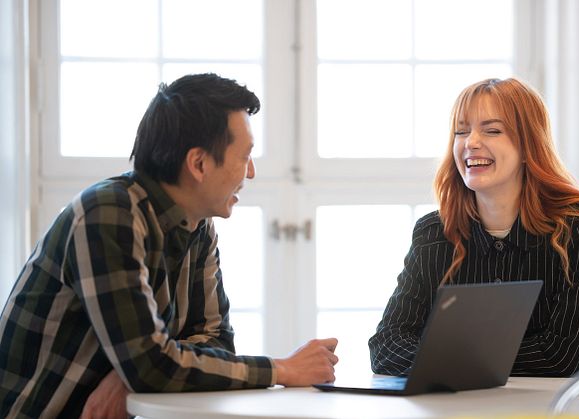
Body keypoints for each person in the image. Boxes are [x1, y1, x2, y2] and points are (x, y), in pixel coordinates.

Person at [0, 73, 338, 418]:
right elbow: (151, 366)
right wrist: (283, 369)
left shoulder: (198, 225)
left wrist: (128, 376)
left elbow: (216, 340)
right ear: (199, 164)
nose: (250, 173)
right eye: (245, 156)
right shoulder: (108, 215)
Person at [369, 77, 579, 378]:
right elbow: (386, 346)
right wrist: (471, 361)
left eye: (492, 130)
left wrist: (441, 359)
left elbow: (560, 356)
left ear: (529, 146)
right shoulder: (433, 233)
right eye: (461, 131)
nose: (471, 142)